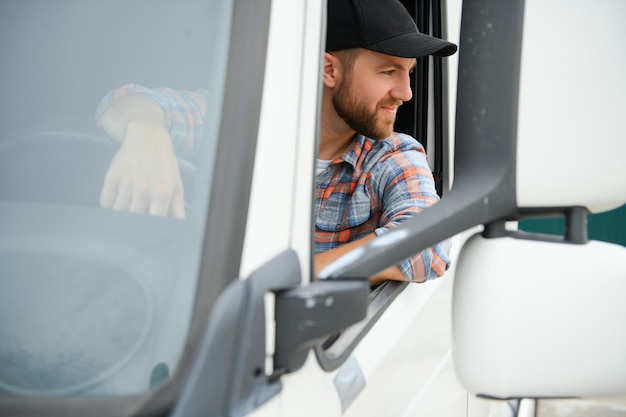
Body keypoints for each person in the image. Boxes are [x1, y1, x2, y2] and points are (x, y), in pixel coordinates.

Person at [95, 0, 457, 284]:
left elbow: (427, 245)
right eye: (388, 72)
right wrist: (147, 132)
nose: (406, 93)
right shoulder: (247, 121)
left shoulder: (391, 158)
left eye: (408, 73)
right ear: (329, 70)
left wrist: (281, 283)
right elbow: (121, 103)